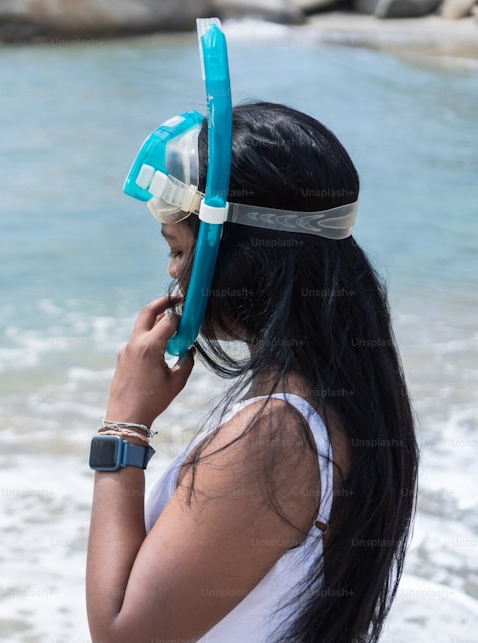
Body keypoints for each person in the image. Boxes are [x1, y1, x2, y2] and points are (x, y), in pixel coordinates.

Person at [85, 101, 419, 642]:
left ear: (238, 253)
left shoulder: (277, 435)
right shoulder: (345, 395)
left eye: (177, 249)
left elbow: (123, 635)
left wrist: (123, 424)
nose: (172, 272)